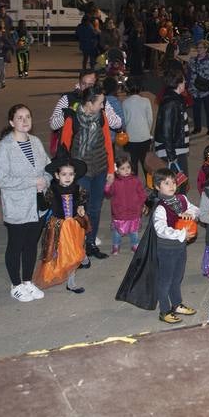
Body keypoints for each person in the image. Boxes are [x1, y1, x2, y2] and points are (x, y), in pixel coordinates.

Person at [0, 104, 51, 303]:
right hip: (17, 206)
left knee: (30, 245)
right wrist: (32, 182)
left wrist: (45, 181)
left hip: (37, 204)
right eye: (20, 117)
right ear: (11, 122)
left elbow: (47, 168)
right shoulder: (5, 147)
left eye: (27, 116)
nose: (25, 121)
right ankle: (16, 284)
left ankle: (27, 281)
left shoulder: (35, 142)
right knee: (16, 245)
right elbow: (2, 179)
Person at [57, 86, 116, 260]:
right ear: (89, 104)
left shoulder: (101, 117)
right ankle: (78, 246)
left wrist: (111, 170)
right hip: (81, 173)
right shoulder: (72, 119)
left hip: (99, 169)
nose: (102, 105)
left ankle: (90, 243)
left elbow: (107, 144)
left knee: (95, 209)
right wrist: (66, 174)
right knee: (80, 210)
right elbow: (64, 148)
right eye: (100, 102)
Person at [148, 167, 197, 324]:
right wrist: (181, 234)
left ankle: (177, 304)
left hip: (180, 247)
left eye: (173, 182)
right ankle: (164, 311)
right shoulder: (160, 207)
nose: (171, 186)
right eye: (166, 183)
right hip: (166, 249)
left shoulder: (181, 199)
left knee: (177, 277)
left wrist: (191, 213)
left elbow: (195, 209)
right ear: (157, 187)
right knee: (165, 280)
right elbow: (160, 230)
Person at [36, 156, 91, 294]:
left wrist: (81, 208)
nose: (68, 177)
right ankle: (71, 283)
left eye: (71, 174)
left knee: (77, 248)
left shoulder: (78, 189)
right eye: (64, 174)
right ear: (57, 175)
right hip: (60, 227)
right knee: (68, 253)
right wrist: (38, 192)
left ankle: (82, 258)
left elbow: (82, 201)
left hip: (75, 224)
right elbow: (43, 206)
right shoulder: (53, 191)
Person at [48, 70, 124, 133]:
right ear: (79, 82)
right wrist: (69, 112)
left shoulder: (101, 100)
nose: (86, 88)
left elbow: (118, 124)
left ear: (95, 85)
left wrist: (101, 110)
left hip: (97, 148)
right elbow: (53, 125)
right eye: (83, 84)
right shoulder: (67, 99)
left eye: (90, 85)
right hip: (73, 149)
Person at [106, 154, 146, 255]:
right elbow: (108, 194)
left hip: (134, 211)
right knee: (117, 231)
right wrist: (108, 185)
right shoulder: (114, 182)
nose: (126, 170)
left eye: (128, 167)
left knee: (134, 230)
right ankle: (116, 245)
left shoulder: (135, 180)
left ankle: (135, 244)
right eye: (122, 168)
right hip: (119, 211)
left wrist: (140, 204)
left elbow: (142, 193)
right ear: (117, 170)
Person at [154, 71, 190, 179]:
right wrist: (171, 155)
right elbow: (167, 129)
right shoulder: (172, 102)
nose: (185, 83)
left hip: (175, 148)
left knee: (178, 182)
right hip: (173, 150)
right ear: (178, 84)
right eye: (184, 81)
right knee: (178, 183)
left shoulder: (174, 99)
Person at [120, 79, 156, 179]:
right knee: (146, 163)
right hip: (144, 136)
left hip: (131, 138)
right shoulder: (146, 101)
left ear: (127, 88)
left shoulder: (125, 103)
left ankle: (134, 184)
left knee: (134, 163)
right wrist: (147, 131)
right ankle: (150, 186)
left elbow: (124, 121)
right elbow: (150, 119)